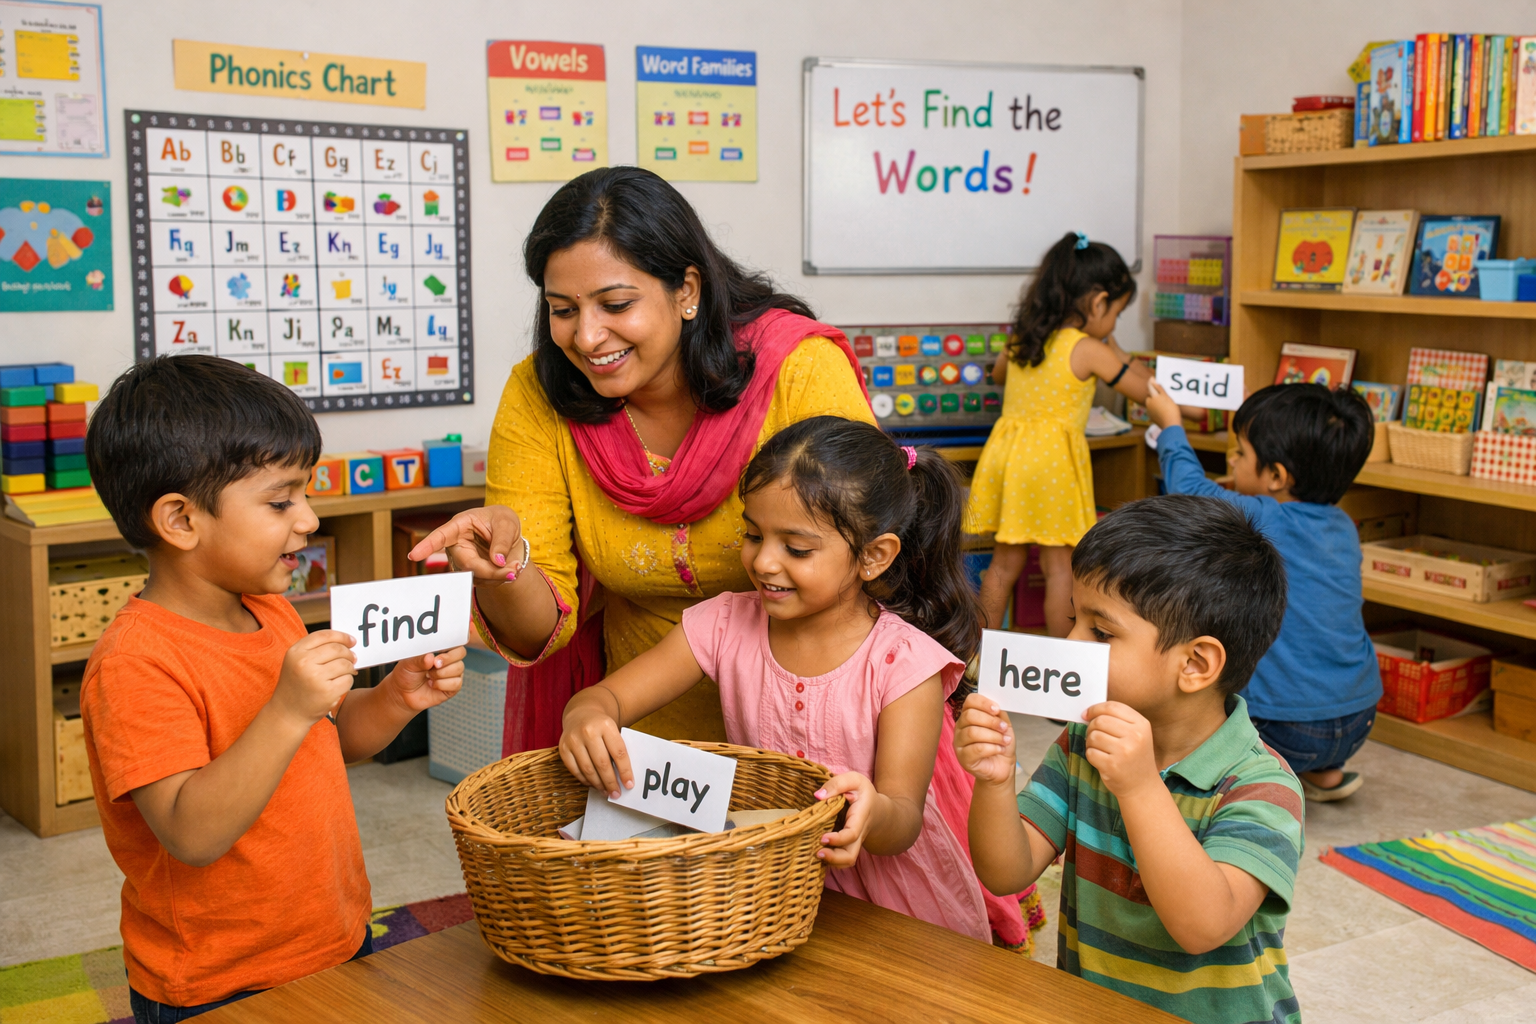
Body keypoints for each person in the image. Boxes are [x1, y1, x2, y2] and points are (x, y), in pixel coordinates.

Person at [409, 166, 873, 750]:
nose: (587, 337)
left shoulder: (798, 372)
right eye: (563, 309)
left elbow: (867, 568)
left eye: (616, 304)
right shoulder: (539, 394)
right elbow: (537, 631)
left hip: (813, 726)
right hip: (637, 739)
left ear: (687, 291)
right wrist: (505, 567)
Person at [79, 356, 466, 1022]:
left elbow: (333, 741)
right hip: (218, 980)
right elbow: (189, 832)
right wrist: (287, 709)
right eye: (281, 500)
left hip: (331, 937)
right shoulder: (135, 663)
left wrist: (398, 698)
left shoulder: (273, 610)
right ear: (179, 520)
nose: (310, 520)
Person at [559, 417, 1041, 951]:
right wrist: (586, 715)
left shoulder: (905, 664)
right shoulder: (723, 624)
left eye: (797, 548)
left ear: (874, 556)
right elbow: (607, 697)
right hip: (773, 889)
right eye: (753, 534)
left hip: (894, 911)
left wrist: (870, 809)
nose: (764, 561)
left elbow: (903, 820)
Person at [957, 495, 1303, 1024]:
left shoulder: (1263, 787)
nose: (1070, 644)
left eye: (1100, 632)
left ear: (1196, 663)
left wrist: (1141, 788)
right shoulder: (1082, 745)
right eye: (1074, 619)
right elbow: (1006, 871)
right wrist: (995, 781)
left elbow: (1203, 926)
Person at [1145, 380, 1379, 801]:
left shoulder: (1264, 518)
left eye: (1239, 453)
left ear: (1275, 476)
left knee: (1200, 690)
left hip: (1283, 727)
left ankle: (1249, 772)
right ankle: (1324, 772)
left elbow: (1191, 493)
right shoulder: (1343, 525)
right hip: (1358, 716)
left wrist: (1171, 427)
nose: (1232, 461)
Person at [965, 230, 1194, 637]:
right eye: (1116, 314)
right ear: (1098, 302)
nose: (1113, 324)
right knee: (1060, 568)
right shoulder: (1087, 349)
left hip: (1009, 458)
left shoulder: (1023, 337)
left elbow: (999, 375)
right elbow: (1146, 392)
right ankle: (1061, 662)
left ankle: (974, 654)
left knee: (1003, 563)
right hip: (1053, 463)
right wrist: (1184, 409)